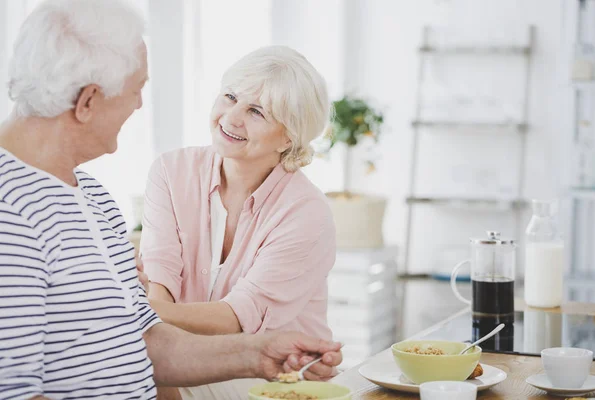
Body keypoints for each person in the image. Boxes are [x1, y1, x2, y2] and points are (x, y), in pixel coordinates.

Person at [0, 1, 342, 399]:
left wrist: (257, 354)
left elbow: (147, 341)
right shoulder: (10, 212)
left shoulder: (95, 200)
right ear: (89, 101)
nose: (140, 105)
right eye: (137, 89)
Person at [142, 45, 335, 345]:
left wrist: (136, 315)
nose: (230, 118)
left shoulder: (306, 212)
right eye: (230, 97)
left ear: (288, 137)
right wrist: (157, 334)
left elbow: (240, 316)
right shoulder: (171, 171)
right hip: (190, 356)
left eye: (256, 112)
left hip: (278, 377)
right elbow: (160, 275)